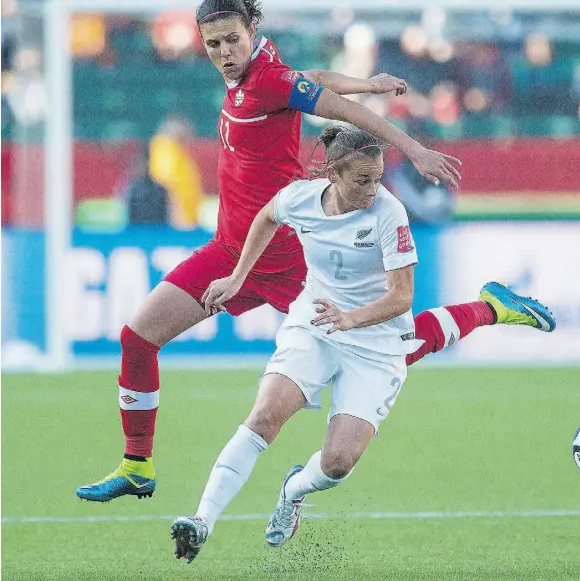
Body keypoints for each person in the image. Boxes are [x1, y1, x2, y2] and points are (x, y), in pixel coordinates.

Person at [76, 0, 555, 504]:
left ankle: (488, 309)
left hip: (287, 256)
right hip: (230, 251)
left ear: (250, 35)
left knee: (388, 345)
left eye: (232, 40)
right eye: (213, 44)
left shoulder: (270, 80)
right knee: (138, 337)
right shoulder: (261, 69)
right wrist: (368, 82)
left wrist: (411, 148)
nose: (224, 53)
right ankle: (136, 464)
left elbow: (344, 112)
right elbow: (317, 82)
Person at [170, 126, 554, 563]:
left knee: (337, 463)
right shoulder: (301, 198)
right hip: (314, 326)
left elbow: (401, 296)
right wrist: (237, 277)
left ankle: (292, 492)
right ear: (333, 174)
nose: (373, 190)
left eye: (377, 178)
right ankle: (201, 520)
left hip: (374, 341)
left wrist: (350, 319)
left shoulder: (389, 214)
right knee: (263, 417)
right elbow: (267, 216)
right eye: (362, 181)